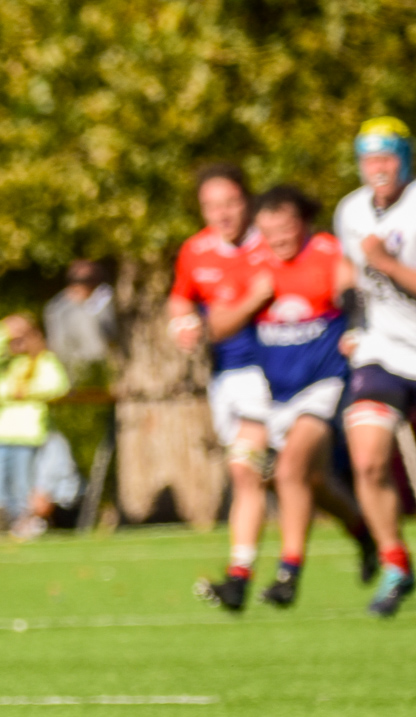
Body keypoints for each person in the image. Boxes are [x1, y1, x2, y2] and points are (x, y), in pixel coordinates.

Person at [209, 185, 358, 606]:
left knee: (290, 469)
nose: (278, 238)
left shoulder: (326, 251)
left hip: (324, 386)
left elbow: (350, 289)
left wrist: (353, 319)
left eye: (286, 228)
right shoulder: (254, 266)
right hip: (274, 396)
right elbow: (217, 327)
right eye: (269, 230)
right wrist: (254, 299)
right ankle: (362, 532)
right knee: (300, 479)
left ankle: (287, 575)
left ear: (304, 223)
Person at [170, 165, 272, 611]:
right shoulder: (195, 250)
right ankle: (369, 539)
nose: (223, 213)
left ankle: (239, 578)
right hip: (225, 377)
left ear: (247, 201)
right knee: (298, 478)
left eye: (231, 202)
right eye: (212, 206)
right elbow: (181, 297)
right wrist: (181, 322)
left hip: (275, 374)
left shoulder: (272, 242)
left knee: (245, 470)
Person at [337, 117, 416, 616]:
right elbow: (347, 266)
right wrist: (347, 314)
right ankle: (395, 563)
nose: (378, 168)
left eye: (387, 157)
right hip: (380, 351)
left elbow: (379, 264)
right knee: (367, 459)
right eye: (369, 158)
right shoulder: (350, 210)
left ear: (405, 159)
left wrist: (386, 264)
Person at [0, 315, 70, 528]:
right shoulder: (4, 364)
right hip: (1, 433)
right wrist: (1, 331)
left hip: (28, 435)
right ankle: (2, 525)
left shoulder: (43, 361)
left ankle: (26, 524)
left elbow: (59, 385)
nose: (19, 343)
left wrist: (27, 391)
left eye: (23, 338)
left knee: (22, 486)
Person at [43, 259, 118, 376]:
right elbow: (57, 342)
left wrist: (87, 306)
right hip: (72, 368)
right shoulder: (58, 307)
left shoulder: (106, 298)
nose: (90, 285)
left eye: (94, 280)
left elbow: (111, 334)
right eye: (82, 281)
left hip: (105, 366)